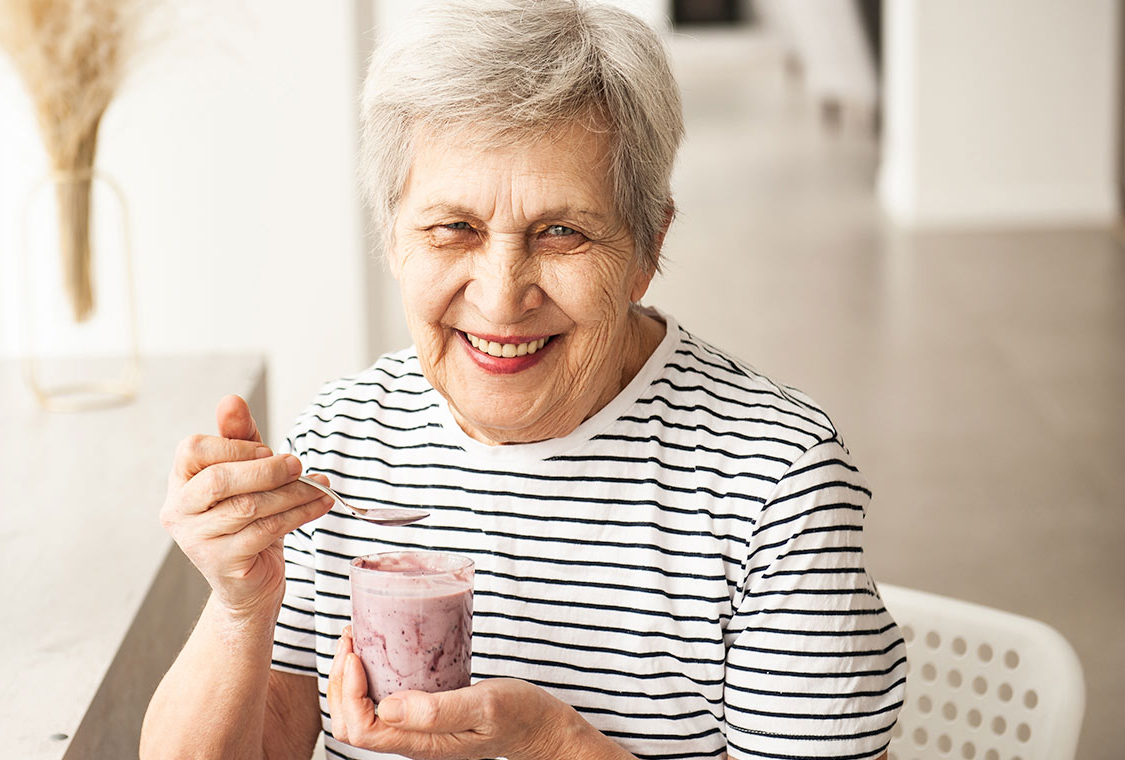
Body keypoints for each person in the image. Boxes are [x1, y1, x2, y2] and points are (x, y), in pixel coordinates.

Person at [141, 1, 906, 758]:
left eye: (562, 232)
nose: (503, 297)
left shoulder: (774, 481)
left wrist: (552, 744)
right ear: (392, 239)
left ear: (649, 246)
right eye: (455, 229)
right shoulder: (344, 441)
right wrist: (241, 609)